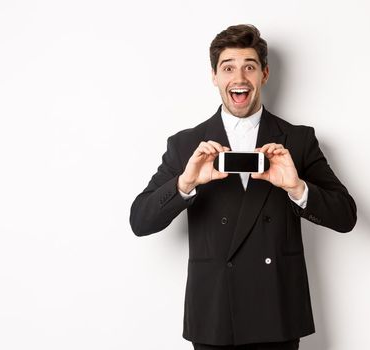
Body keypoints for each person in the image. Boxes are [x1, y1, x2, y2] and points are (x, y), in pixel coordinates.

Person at [129, 24, 357, 350]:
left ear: (264, 74)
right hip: (215, 317)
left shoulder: (298, 140)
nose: (239, 77)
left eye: (249, 66)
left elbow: (346, 216)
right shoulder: (186, 145)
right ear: (214, 76)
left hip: (277, 313)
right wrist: (186, 183)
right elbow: (140, 220)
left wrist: (297, 188)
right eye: (228, 67)